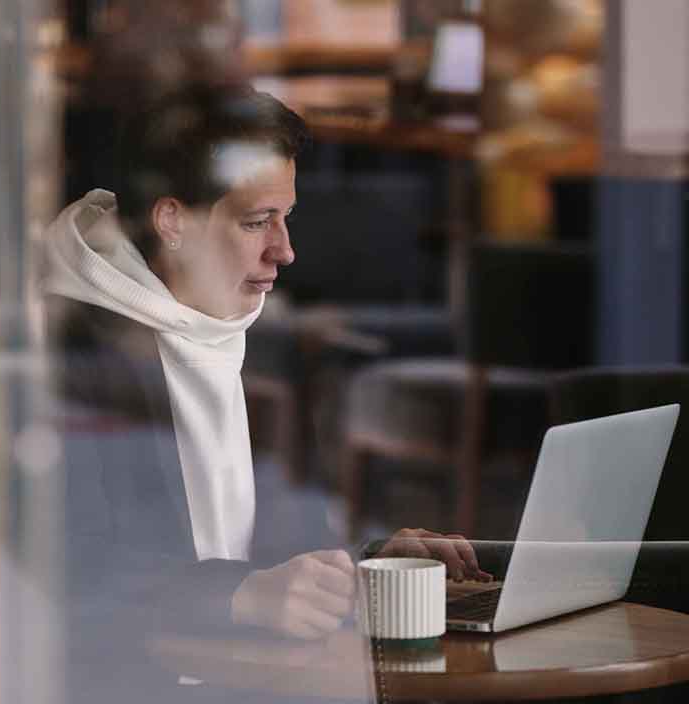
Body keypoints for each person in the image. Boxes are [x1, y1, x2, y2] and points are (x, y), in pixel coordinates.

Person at [40, 85, 489, 703]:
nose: (285, 250)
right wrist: (243, 597)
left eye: (286, 217)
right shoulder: (75, 361)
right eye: (257, 222)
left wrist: (373, 567)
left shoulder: (230, 335)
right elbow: (68, 580)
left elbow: (269, 557)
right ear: (172, 221)